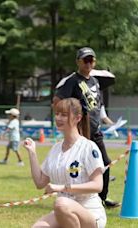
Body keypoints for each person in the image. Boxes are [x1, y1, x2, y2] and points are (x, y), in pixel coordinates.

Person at [53, 47, 120, 208]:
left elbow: (98, 104)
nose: (89, 63)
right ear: (78, 61)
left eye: (91, 60)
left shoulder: (95, 81)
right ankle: (72, 197)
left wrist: (105, 119)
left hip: (95, 130)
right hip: (80, 131)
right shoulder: (72, 81)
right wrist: (68, 119)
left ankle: (102, 199)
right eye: (85, 60)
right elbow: (57, 100)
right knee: (78, 166)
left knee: (104, 163)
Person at [23, 98, 106, 228]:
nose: (58, 118)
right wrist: (32, 152)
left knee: (61, 203)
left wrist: (62, 188)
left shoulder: (89, 147)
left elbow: (97, 185)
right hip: (63, 211)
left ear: (78, 118)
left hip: (89, 212)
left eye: (64, 115)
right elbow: (40, 183)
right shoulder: (55, 149)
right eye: (57, 114)